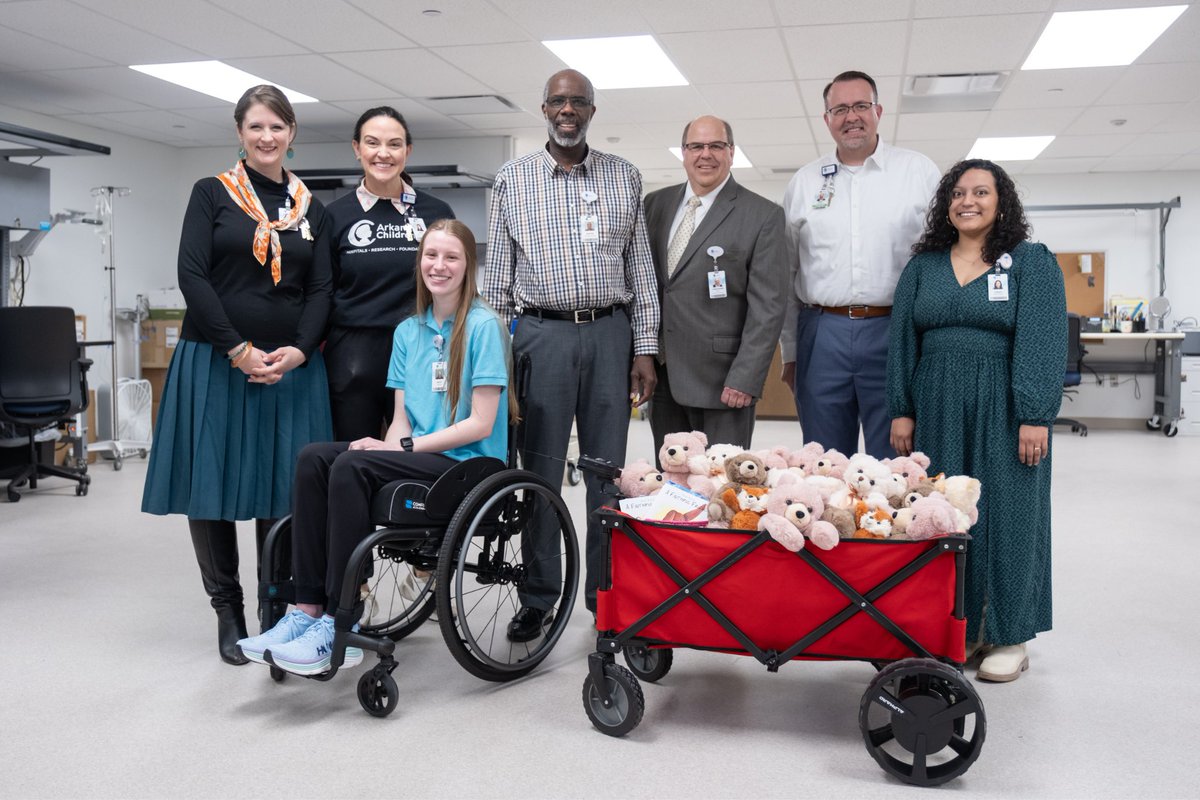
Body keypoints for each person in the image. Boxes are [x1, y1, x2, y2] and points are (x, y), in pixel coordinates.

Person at [236, 219, 512, 675]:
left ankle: (338, 623)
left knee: (349, 467)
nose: (439, 266)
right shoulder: (408, 332)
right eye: (431, 255)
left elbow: (479, 423)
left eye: (451, 257)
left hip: (469, 464)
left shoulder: (484, 328)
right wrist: (386, 451)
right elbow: (400, 416)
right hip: (420, 454)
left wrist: (404, 450)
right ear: (419, 261)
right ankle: (305, 609)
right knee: (314, 458)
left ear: (468, 266)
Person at [142, 85, 333, 665]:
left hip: (293, 370)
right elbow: (192, 276)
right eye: (256, 127)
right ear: (240, 133)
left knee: (285, 488)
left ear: (292, 132)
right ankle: (228, 609)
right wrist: (237, 349)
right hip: (217, 362)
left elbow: (322, 287)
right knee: (214, 486)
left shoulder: (310, 207)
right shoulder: (212, 194)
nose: (267, 137)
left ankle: (277, 611)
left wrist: (299, 350)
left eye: (277, 127)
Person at [483, 69, 659, 636]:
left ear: (591, 111)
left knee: (607, 474)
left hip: (610, 333)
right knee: (539, 472)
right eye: (558, 101)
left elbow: (641, 268)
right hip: (541, 336)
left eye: (578, 102)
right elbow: (499, 279)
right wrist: (497, 357)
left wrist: (645, 347)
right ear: (543, 109)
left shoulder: (622, 176)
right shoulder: (512, 178)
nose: (568, 110)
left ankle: (605, 594)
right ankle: (538, 596)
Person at [886, 159, 1066, 683]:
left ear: (1001, 202)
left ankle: (1010, 634)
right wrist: (901, 407)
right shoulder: (923, 266)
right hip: (936, 402)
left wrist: (1035, 413)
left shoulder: (1031, 263)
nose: (969, 201)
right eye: (959, 192)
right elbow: (902, 341)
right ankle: (958, 629)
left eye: (981, 192)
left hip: (1004, 406)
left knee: (1009, 514)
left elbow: (1043, 338)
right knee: (941, 516)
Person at [780, 70, 941, 458]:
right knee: (823, 461)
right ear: (827, 119)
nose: (851, 116)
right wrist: (790, 352)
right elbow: (787, 273)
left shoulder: (919, 173)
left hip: (896, 331)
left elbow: (941, 263)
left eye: (860, 106)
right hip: (821, 332)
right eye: (840, 109)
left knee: (897, 460)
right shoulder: (803, 182)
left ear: (878, 111)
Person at [642, 115, 787, 454]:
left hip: (724, 383)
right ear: (684, 152)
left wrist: (746, 377)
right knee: (672, 484)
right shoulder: (655, 205)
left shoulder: (762, 215)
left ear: (731, 152)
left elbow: (768, 307)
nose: (705, 154)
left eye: (716, 146)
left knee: (721, 487)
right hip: (663, 377)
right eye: (696, 146)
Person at [324, 107, 456, 440]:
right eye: (372, 143)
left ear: (407, 151)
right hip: (354, 356)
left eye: (394, 144)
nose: (383, 153)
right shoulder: (334, 216)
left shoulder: (436, 213)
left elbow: (455, 284)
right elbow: (321, 290)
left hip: (423, 350)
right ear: (357, 148)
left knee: (419, 456)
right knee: (353, 459)